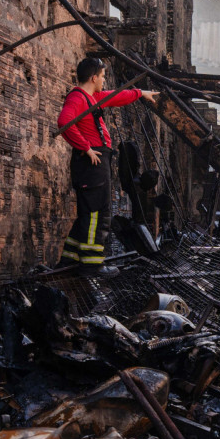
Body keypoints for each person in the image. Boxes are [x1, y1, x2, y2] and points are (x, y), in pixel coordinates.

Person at [57, 58, 158, 276]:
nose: (104, 80)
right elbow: (65, 122)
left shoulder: (91, 97)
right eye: (102, 76)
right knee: (98, 213)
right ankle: (92, 265)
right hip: (92, 161)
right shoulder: (77, 98)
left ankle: (70, 260)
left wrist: (140, 93)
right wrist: (86, 148)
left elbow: (116, 96)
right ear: (93, 78)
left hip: (96, 160)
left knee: (88, 213)